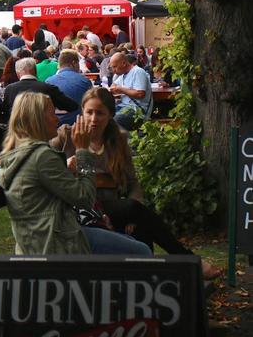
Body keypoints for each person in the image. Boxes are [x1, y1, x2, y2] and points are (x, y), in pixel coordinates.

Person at [50, 86, 220, 278]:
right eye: (89, 112)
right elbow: (45, 166)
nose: (93, 119)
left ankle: (145, 278)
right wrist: (66, 164)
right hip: (81, 207)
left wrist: (133, 207)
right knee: (135, 211)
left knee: (138, 222)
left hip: (114, 207)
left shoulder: (118, 139)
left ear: (110, 115)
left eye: (100, 113)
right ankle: (188, 261)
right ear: (82, 111)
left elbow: (133, 183)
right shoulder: (66, 136)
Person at [0, 91, 151, 256]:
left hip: (38, 238)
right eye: (52, 114)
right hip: (59, 241)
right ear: (38, 120)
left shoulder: (19, 153)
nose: (57, 119)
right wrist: (83, 152)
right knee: (142, 251)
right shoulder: (42, 155)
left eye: (99, 113)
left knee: (134, 240)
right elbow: (85, 198)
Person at [3, 57, 78, 122]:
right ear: (35, 71)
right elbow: (71, 106)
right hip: (42, 132)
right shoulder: (47, 88)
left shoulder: (9, 89)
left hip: (18, 133)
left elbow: (6, 114)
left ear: (18, 73)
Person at [45, 49, 92, 125]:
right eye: (78, 63)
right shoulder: (85, 81)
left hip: (55, 125)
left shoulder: (48, 81)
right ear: (74, 63)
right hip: (78, 125)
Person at [109, 50, 153, 130]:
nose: (114, 70)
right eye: (112, 67)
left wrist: (120, 89)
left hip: (138, 111)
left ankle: (121, 141)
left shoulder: (138, 72)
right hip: (124, 107)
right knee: (103, 115)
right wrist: (114, 89)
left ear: (124, 63)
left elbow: (140, 94)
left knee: (113, 121)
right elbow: (114, 85)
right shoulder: (123, 75)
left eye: (115, 67)